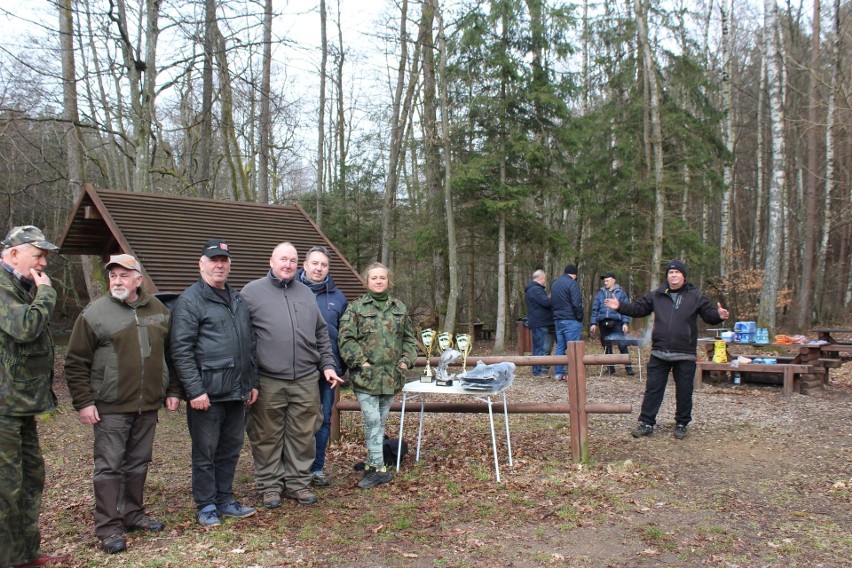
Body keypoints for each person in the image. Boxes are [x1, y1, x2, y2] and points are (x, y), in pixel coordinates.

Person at [65, 254, 182, 554]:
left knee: (139, 463)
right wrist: (84, 402)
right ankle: (108, 527)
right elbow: (76, 361)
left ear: (138, 280)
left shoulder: (159, 310)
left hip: (147, 405)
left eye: (123, 275)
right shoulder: (95, 314)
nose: (117, 280)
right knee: (109, 467)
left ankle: (132, 513)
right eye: (113, 275)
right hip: (111, 406)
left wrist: (173, 389)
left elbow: (170, 355)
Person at [241, 242, 343, 508]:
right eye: (282, 259)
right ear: (271, 261)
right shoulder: (251, 293)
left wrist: (327, 365)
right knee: (266, 434)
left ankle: (297, 483)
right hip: (268, 378)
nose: (287, 265)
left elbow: (322, 333)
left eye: (292, 260)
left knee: (303, 433)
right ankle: (270, 486)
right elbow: (242, 338)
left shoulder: (305, 293)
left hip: (306, 378)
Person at [170, 239, 259, 528]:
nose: (219, 265)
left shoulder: (237, 299)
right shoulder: (190, 300)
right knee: (205, 452)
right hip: (207, 393)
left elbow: (249, 344)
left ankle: (225, 499)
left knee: (231, 450)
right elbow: (181, 350)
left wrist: (251, 382)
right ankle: (206, 504)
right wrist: (194, 390)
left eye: (224, 260)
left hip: (236, 391)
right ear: (202, 264)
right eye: (213, 260)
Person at [0, 226, 70, 568]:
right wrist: (46, 294)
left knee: (30, 479)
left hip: (21, 404)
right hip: (3, 407)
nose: (43, 263)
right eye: (38, 255)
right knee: (5, 488)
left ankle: (24, 555)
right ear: (14, 254)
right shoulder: (2, 287)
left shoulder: (21, 285)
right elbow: (25, 328)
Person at [605, 260, 729, 440]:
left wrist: (718, 316)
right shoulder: (657, 295)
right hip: (659, 351)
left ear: (683, 276)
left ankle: (681, 423)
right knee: (653, 389)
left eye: (677, 272)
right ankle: (647, 422)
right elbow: (639, 308)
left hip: (685, 353)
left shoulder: (695, 296)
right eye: (670, 273)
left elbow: (709, 314)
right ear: (667, 276)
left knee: (684, 391)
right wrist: (621, 307)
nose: (673, 275)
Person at [338, 262, 417, 489]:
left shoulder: (399, 308)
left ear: (388, 281)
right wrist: (361, 362)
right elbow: (346, 339)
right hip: (366, 377)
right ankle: (377, 470)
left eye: (382, 277)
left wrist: (405, 362)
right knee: (371, 420)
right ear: (367, 281)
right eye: (374, 278)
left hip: (391, 377)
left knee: (380, 422)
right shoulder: (356, 309)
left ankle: (375, 462)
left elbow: (410, 339)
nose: (379, 281)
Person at [297, 246, 348, 487]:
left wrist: (341, 366)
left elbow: (345, 335)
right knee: (298, 419)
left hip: (328, 369)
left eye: (324, 265)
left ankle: (316, 468)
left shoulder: (338, 297)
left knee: (324, 419)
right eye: (314, 263)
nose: (319, 268)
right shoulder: (291, 291)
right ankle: (296, 468)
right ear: (305, 265)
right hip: (298, 368)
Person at [590, 272, 634, 376]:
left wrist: (625, 323)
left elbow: (625, 309)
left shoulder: (621, 293)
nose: (605, 282)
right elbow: (595, 308)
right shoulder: (600, 293)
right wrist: (593, 323)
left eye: (607, 280)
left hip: (616, 322)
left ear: (613, 280)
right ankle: (610, 368)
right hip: (603, 322)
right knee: (606, 346)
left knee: (622, 345)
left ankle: (628, 368)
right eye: (604, 281)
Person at [550, 264, 583, 381]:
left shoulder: (555, 284)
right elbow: (576, 303)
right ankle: (572, 373)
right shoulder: (572, 284)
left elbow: (552, 302)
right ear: (574, 274)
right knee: (573, 347)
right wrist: (579, 317)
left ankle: (558, 373)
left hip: (558, 320)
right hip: (571, 320)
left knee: (560, 346)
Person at [524, 269, 554, 378]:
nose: (545, 281)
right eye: (544, 278)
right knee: (542, 347)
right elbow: (546, 302)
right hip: (541, 322)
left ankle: (536, 370)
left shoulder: (531, 289)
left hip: (537, 322)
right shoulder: (536, 290)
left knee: (537, 347)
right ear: (541, 278)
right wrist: (552, 296)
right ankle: (540, 371)